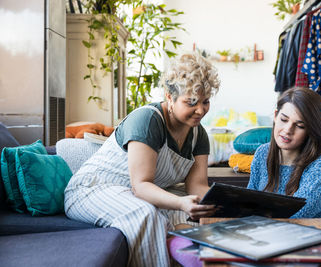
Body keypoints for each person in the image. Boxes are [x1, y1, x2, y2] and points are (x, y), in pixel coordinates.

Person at [64, 53, 220, 267]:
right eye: (191, 102)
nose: (201, 110)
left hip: (134, 193)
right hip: (91, 190)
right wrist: (181, 203)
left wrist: (223, 205)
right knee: (146, 215)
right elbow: (141, 186)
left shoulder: (197, 133)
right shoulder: (148, 120)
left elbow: (197, 186)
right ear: (169, 97)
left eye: (206, 101)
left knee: (191, 218)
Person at [248, 87, 321, 218]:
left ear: (311, 129)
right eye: (284, 120)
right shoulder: (263, 153)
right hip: (278, 234)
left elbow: (295, 215)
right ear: (275, 116)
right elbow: (248, 205)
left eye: (300, 126)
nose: (287, 130)